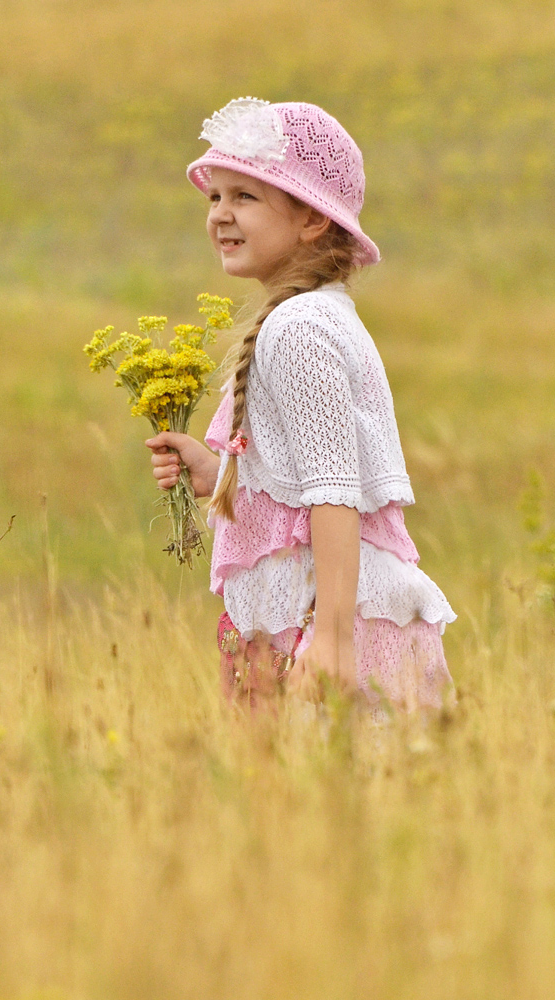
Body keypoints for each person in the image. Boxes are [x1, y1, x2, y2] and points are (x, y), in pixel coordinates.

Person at [145, 97, 456, 711]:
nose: (220, 216)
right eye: (215, 196)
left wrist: (334, 641)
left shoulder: (299, 329)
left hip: (322, 626)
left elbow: (336, 492)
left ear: (313, 220)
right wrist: (220, 475)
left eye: (246, 197)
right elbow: (304, 479)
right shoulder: (315, 316)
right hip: (317, 615)